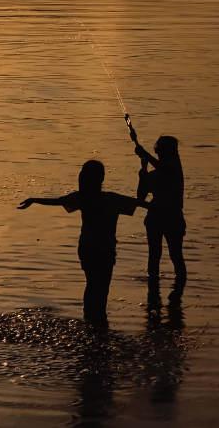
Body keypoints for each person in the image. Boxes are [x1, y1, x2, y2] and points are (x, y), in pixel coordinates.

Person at [18, 160, 147, 327]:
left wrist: (34, 199)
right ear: (101, 178)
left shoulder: (81, 198)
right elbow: (142, 203)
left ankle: (91, 319)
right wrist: (144, 173)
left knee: (92, 284)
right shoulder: (111, 199)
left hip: (87, 248)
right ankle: (97, 322)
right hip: (104, 250)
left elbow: (56, 201)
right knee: (101, 288)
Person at [133, 135, 187, 296]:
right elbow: (141, 197)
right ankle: (157, 293)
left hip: (171, 218)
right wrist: (143, 170)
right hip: (159, 218)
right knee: (155, 255)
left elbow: (165, 169)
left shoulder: (175, 168)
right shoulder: (156, 174)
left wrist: (145, 155)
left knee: (174, 255)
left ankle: (171, 293)